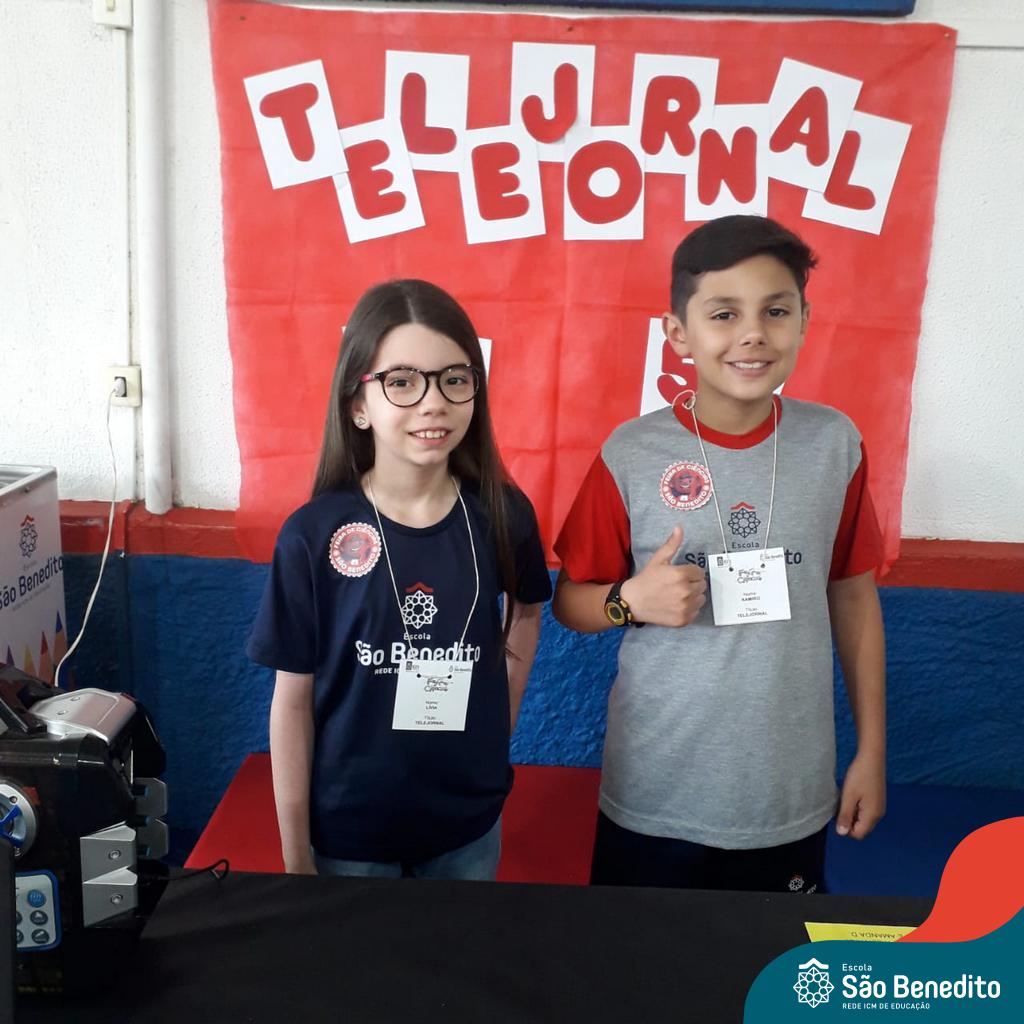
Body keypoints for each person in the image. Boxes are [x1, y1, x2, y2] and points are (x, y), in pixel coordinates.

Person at [552, 215, 886, 893]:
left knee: (772, 959)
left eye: (776, 311)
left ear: (804, 321)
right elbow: (569, 603)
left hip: (786, 791)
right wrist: (627, 601)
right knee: (636, 959)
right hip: (654, 789)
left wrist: (872, 751)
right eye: (724, 314)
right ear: (679, 333)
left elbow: (853, 594)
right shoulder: (632, 453)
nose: (752, 333)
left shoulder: (834, 445)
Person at [248, 279, 551, 880]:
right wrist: (295, 853)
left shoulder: (501, 513)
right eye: (403, 382)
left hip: (467, 823)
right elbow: (292, 700)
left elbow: (527, 612)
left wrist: (498, 728)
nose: (433, 403)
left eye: (454, 379)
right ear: (358, 405)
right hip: (350, 833)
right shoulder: (313, 535)